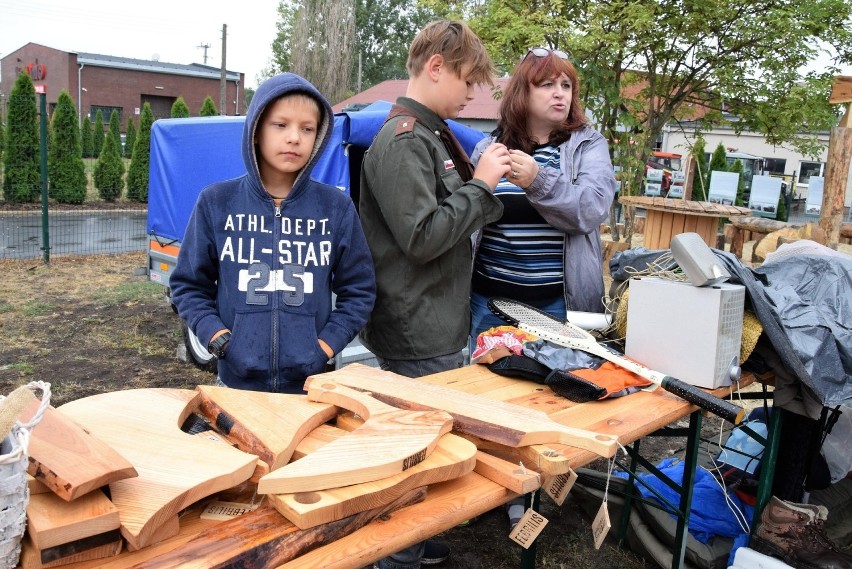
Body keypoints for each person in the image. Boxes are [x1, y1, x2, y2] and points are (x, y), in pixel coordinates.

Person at [358, 19, 511, 568]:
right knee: (411, 455)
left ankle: (413, 545)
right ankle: (397, 555)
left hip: (435, 320)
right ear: (436, 67)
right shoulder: (403, 141)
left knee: (427, 448)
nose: (473, 93)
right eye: (469, 80)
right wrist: (484, 184)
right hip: (416, 328)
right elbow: (422, 238)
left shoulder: (430, 133)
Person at [469, 48, 616, 530]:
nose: (560, 93)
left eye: (567, 85)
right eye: (547, 84)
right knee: (487, 402)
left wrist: (539, 180)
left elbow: (592, 208)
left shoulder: (585, 146)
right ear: (522, 92)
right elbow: (470, 218)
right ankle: (487, 488)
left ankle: (526, 498)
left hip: (554, 305)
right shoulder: (490, 148)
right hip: (488, 304)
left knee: (542, 404)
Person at [170, 72, 376, 394]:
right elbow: (188, 285)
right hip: (235, 385)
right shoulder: (217, 202)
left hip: (310, 388)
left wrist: (324, 346)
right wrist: (219, 339)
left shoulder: (336, 207)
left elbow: (359, 291)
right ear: (255, 131)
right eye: (280, 125)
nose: (295, 137)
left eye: (307, 128)